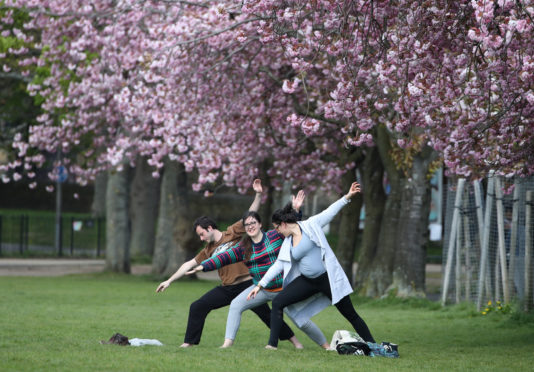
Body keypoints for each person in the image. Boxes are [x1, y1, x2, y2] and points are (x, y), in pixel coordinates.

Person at [155, 179, 302, 348]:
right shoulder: (207, 250)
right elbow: (188, 264)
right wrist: (169, 280)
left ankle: (296, 343)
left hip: (247, 283)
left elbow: (250, 215)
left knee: (266, 315)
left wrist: (258, 194)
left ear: (210, 228)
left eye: (202, 234)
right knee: (197, 306)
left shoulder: (232, 232)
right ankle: (189, 343)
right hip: (227, 288)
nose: (201, 238)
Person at [186, 190, 329, 349]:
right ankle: (227, 344)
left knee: (301, 321)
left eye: (253, 223)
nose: (250, 226)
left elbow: (291, 225)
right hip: (261, 288)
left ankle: (326, 347)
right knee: (235, 305)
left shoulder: (275, 236)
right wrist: (202, 266)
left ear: (260, 224)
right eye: (247, 225)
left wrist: (295, 210)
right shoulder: (243, 247)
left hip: (283, 289)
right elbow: (222, 258)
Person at [248, 181, 376, 350]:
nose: (276, 231)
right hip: (307, 281)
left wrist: (347, 196)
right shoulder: (287, 242)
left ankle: (374, 346)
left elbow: (329, 212)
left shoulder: (311, 225)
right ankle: (272, 345)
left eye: (277, 227)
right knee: (278, 302)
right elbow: (278, 265)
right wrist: (260, 285)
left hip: (327, 280)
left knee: (350, 314)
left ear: (284, 224)